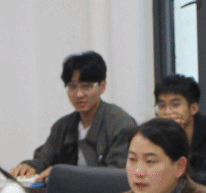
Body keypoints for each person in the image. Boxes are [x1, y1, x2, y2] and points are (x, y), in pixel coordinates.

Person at [14, 52, 137, 180]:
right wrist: (28, 166)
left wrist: (67, 174)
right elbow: (44, 159)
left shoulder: (121, 125)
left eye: (86, 86)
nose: (79, 94)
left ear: (102, 87)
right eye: (72, 87)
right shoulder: (62, 126)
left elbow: (118, 175)